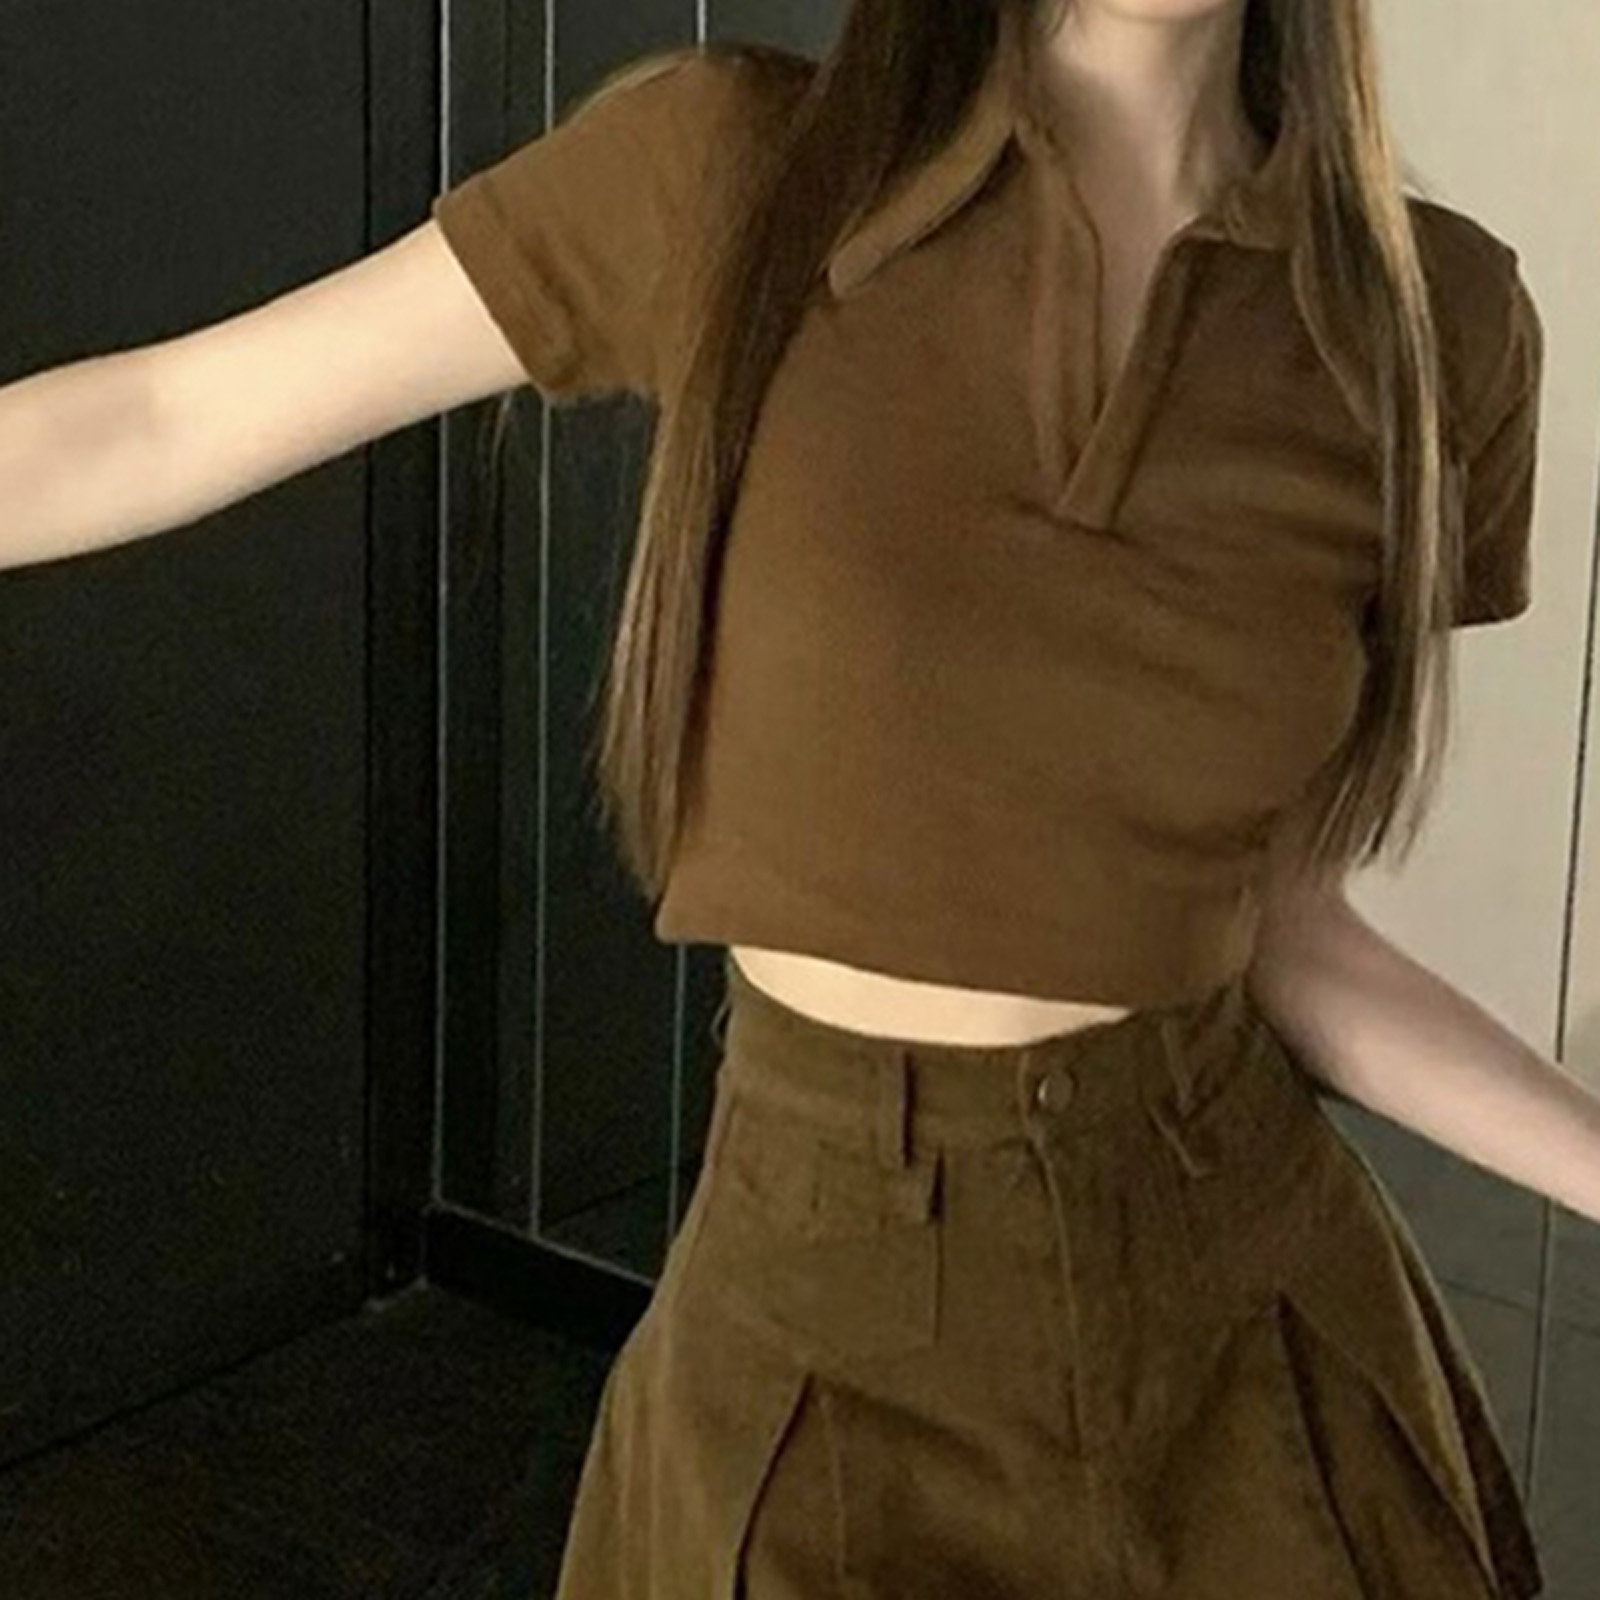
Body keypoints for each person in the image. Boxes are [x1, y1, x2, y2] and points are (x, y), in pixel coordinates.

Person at [0, 0, 1548, 1595]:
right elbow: (159, 420)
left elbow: (1279, 928)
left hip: (1247, 1330)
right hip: (822, 1321)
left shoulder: (1433, 324)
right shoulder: (735, 171)